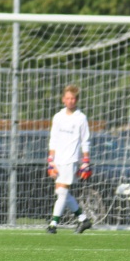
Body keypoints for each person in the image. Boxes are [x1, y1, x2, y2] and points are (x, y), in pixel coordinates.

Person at [46, 84, 93, 234]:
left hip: (71, 159)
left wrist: (85, 161)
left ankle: (53, 224)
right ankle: (83, 219)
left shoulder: (81, 118)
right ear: (63, 100)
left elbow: (85, 140)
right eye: (68, 98)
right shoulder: (58, 117)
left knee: (62, 192)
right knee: (62, 193)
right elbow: (53, 139)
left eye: (73, 98)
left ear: (77, 100)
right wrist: (50, 160)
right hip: (58, 159)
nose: (70, 101)